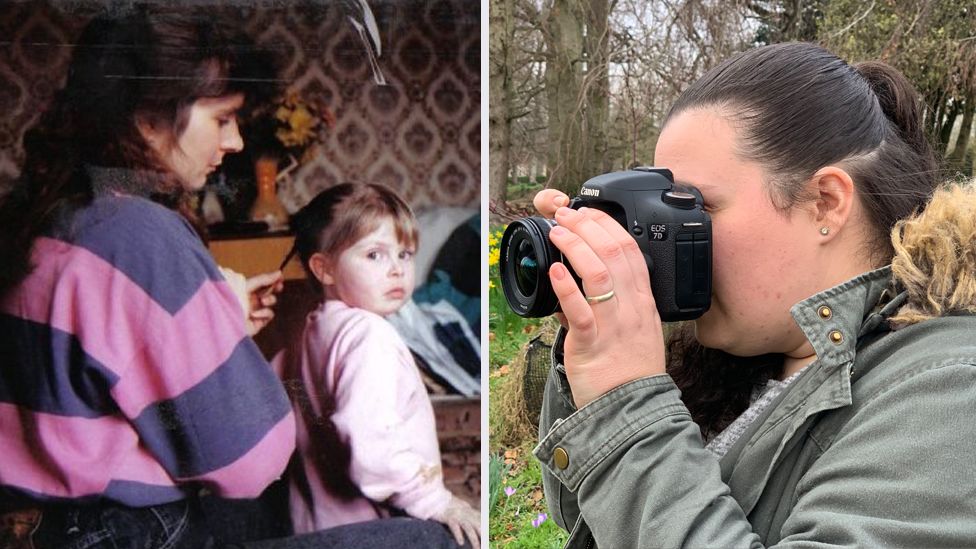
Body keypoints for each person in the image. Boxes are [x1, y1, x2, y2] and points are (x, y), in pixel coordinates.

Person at [0, 7, 466, 549]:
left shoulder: (47, 217)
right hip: (134, 533)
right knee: (436, 539)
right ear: (150, 116)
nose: (238, 143)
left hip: (55, 524)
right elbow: (250, 461)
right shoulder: (140, 233)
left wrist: (220, 324)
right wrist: (220, 328)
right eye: (222, 119)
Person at [532, 42, 976, 548]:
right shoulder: (751, 351)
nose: (668, 234)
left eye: (694, 206)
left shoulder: (949, 391)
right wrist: (594, 342)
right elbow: (587, 519)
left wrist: (626, 406)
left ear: (825, 203)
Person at [274, 183, 481, 549]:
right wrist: (435, 500)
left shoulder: (310, 329)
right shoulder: (370, 337)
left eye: (405, 254)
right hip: (368, 531)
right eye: (374, 255)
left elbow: (272, 399)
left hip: (311, 527)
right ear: (324, 269)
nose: (397, 270)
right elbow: (373, 445)